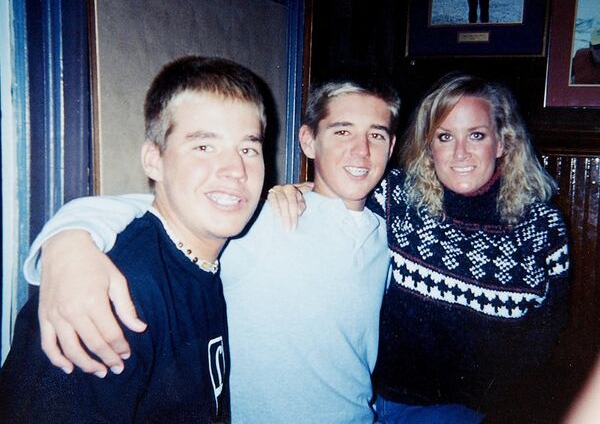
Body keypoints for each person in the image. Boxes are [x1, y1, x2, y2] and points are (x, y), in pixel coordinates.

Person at [18, 80, 400, 422]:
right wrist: (70, 238)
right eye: (342, 131)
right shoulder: (266, 218)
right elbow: (167, 213)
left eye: (377, 136)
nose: (361, 151)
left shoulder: (389, 235)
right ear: (308, 141)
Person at [272, 73, 570, 423]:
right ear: (430, 145)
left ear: (502, 142)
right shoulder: (399, 197)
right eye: (445, 137)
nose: (461, 153)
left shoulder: (541, 228)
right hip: (372, 401)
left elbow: (546, 344)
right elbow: (341, 183)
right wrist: (288, 191)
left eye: (476, 135)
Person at [0, 55, 268, 422]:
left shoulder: (201, 260)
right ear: (153, 160)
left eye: (248, 148)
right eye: (204, 146)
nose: (236, 170)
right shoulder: (112, 296)